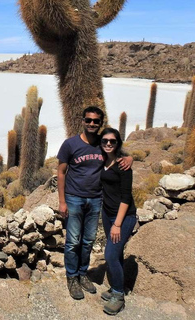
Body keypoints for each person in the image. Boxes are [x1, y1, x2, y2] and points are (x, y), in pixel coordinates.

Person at [57, 106, 131, 300]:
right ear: (82, 121)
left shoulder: (103, 142)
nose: (92, 124)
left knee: (88, 240)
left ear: (100, 123)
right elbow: (61, 172)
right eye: (88, 120)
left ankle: (83, 273)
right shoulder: (70, 144)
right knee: (73, 241)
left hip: (96, 199)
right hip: (74, 198)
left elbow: (120, 155)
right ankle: (72, 277)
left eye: (96, 121)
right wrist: (62, 201)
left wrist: (130, 157)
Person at [99, 128, 137, 315]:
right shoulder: (103, 160)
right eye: (105, 140)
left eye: (112, 141)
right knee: (118, 253)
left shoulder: (123, 165)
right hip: (107, 214)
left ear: (118, 143)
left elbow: (126, 196)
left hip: (123, 216)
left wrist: (117, 224)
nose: (108, 144)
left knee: (111, 255)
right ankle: (116, 285)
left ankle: (118, 295)